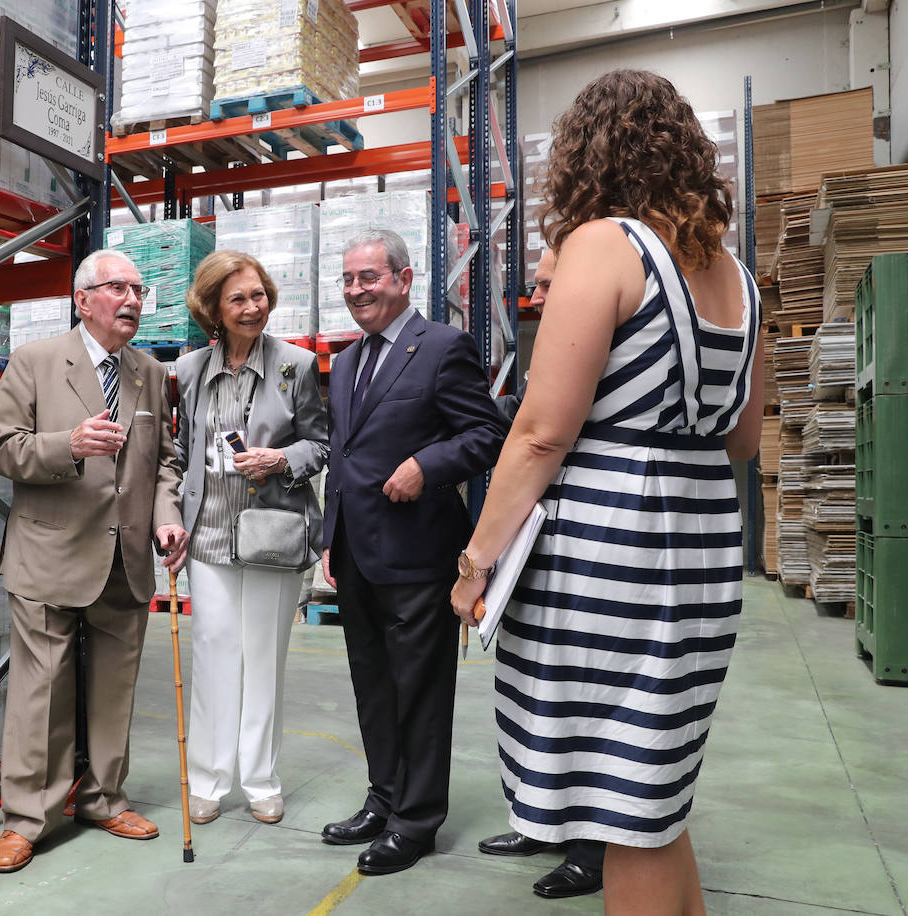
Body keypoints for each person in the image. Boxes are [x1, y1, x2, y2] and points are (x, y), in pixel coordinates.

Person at [450, 70, 763, 916]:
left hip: (611, 549)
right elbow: (743, 439)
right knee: (654, 790)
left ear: (590, 153)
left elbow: (542, 430)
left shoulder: (604, 245)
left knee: (626, 810)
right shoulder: (736, 275)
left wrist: (476, 557)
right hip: (703, 545)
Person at [0, 248, 189, 875]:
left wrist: (166, 515)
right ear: (83, 299)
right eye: (117, 288)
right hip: (50, 554)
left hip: (124, 558)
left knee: (112, 691)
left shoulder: (150, 372)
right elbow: (0, 447)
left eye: (139, 289)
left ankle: (103, 798)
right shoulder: (36, 362)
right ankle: (27, 818)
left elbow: (165, 461)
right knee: (41, 691)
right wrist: (66, 445)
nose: (132, 300)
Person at [320, 228, 504, 875]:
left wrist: (428, 464)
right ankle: (384, 797)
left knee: (420, 690)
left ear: (402, 279)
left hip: (419, 553)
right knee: (372, 686)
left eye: (368, 277)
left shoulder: (443, 348)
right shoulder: (345, 363)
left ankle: (417, 820)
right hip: (357, 552)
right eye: (347, 280)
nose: (356, 290)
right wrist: (329, 536)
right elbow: (344, 456)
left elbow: (487, 433)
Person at [173, 250, 329, 827]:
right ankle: (209, 780)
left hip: (272, 534)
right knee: (214, 652)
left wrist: (279, 458)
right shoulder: (188, 372)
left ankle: (261, 779)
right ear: (213, 308)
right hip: (209, 535)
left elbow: (321, 445)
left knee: (264, 657)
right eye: (237, 298)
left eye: (259, 294)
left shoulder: (297, 366)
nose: (251, 307)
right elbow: (179, 454)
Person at [476, 246, 606, 900]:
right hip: (535, 547)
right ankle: (538, 817)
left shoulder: (595, 345)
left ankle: (589, 848)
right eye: (537, 285)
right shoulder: (547, 349)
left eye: (551, 284)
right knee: (528, 689)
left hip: (583, 547)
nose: (539, 296)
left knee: (578, 698)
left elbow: (545, 439)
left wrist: (476, 556)